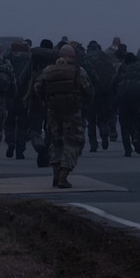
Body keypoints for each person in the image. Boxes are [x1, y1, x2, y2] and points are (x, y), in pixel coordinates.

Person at [30, 44, 93, 189]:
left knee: (56, 142)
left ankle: (55, 174)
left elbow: (37, 88)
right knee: (74, 142)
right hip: (72, 112)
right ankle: (64, 174)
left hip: (52, 111)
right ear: (73, 56)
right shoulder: (78, 71)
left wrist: (47, 100)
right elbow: (88, 90)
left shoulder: (48, 70)